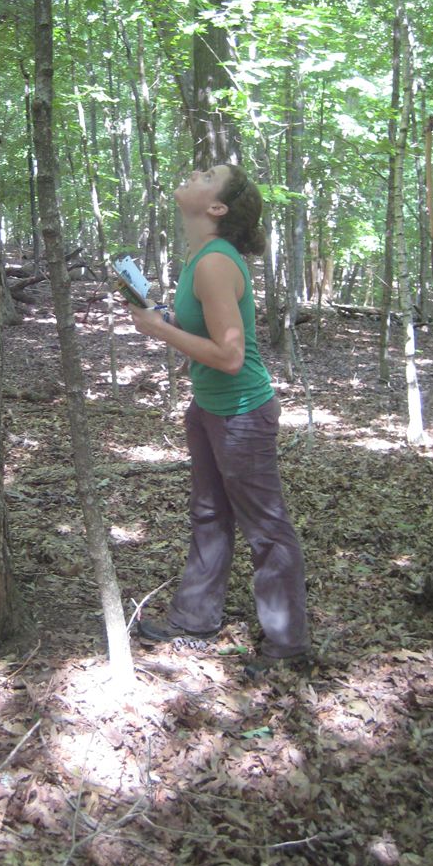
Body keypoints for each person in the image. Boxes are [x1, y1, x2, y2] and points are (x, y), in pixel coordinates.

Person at [129, 164, 310, 672]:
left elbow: (230, 357)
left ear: (217, 208)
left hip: (241, 415)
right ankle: (194, 619)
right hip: (210, 409)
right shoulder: (202, 258)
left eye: (207, 174)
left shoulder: (212, 263)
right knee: (209, 513)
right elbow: (209, 334)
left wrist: (156, 331)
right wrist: (165, 318)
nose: (191, 172)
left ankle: (287, 647)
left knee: (266, 529)